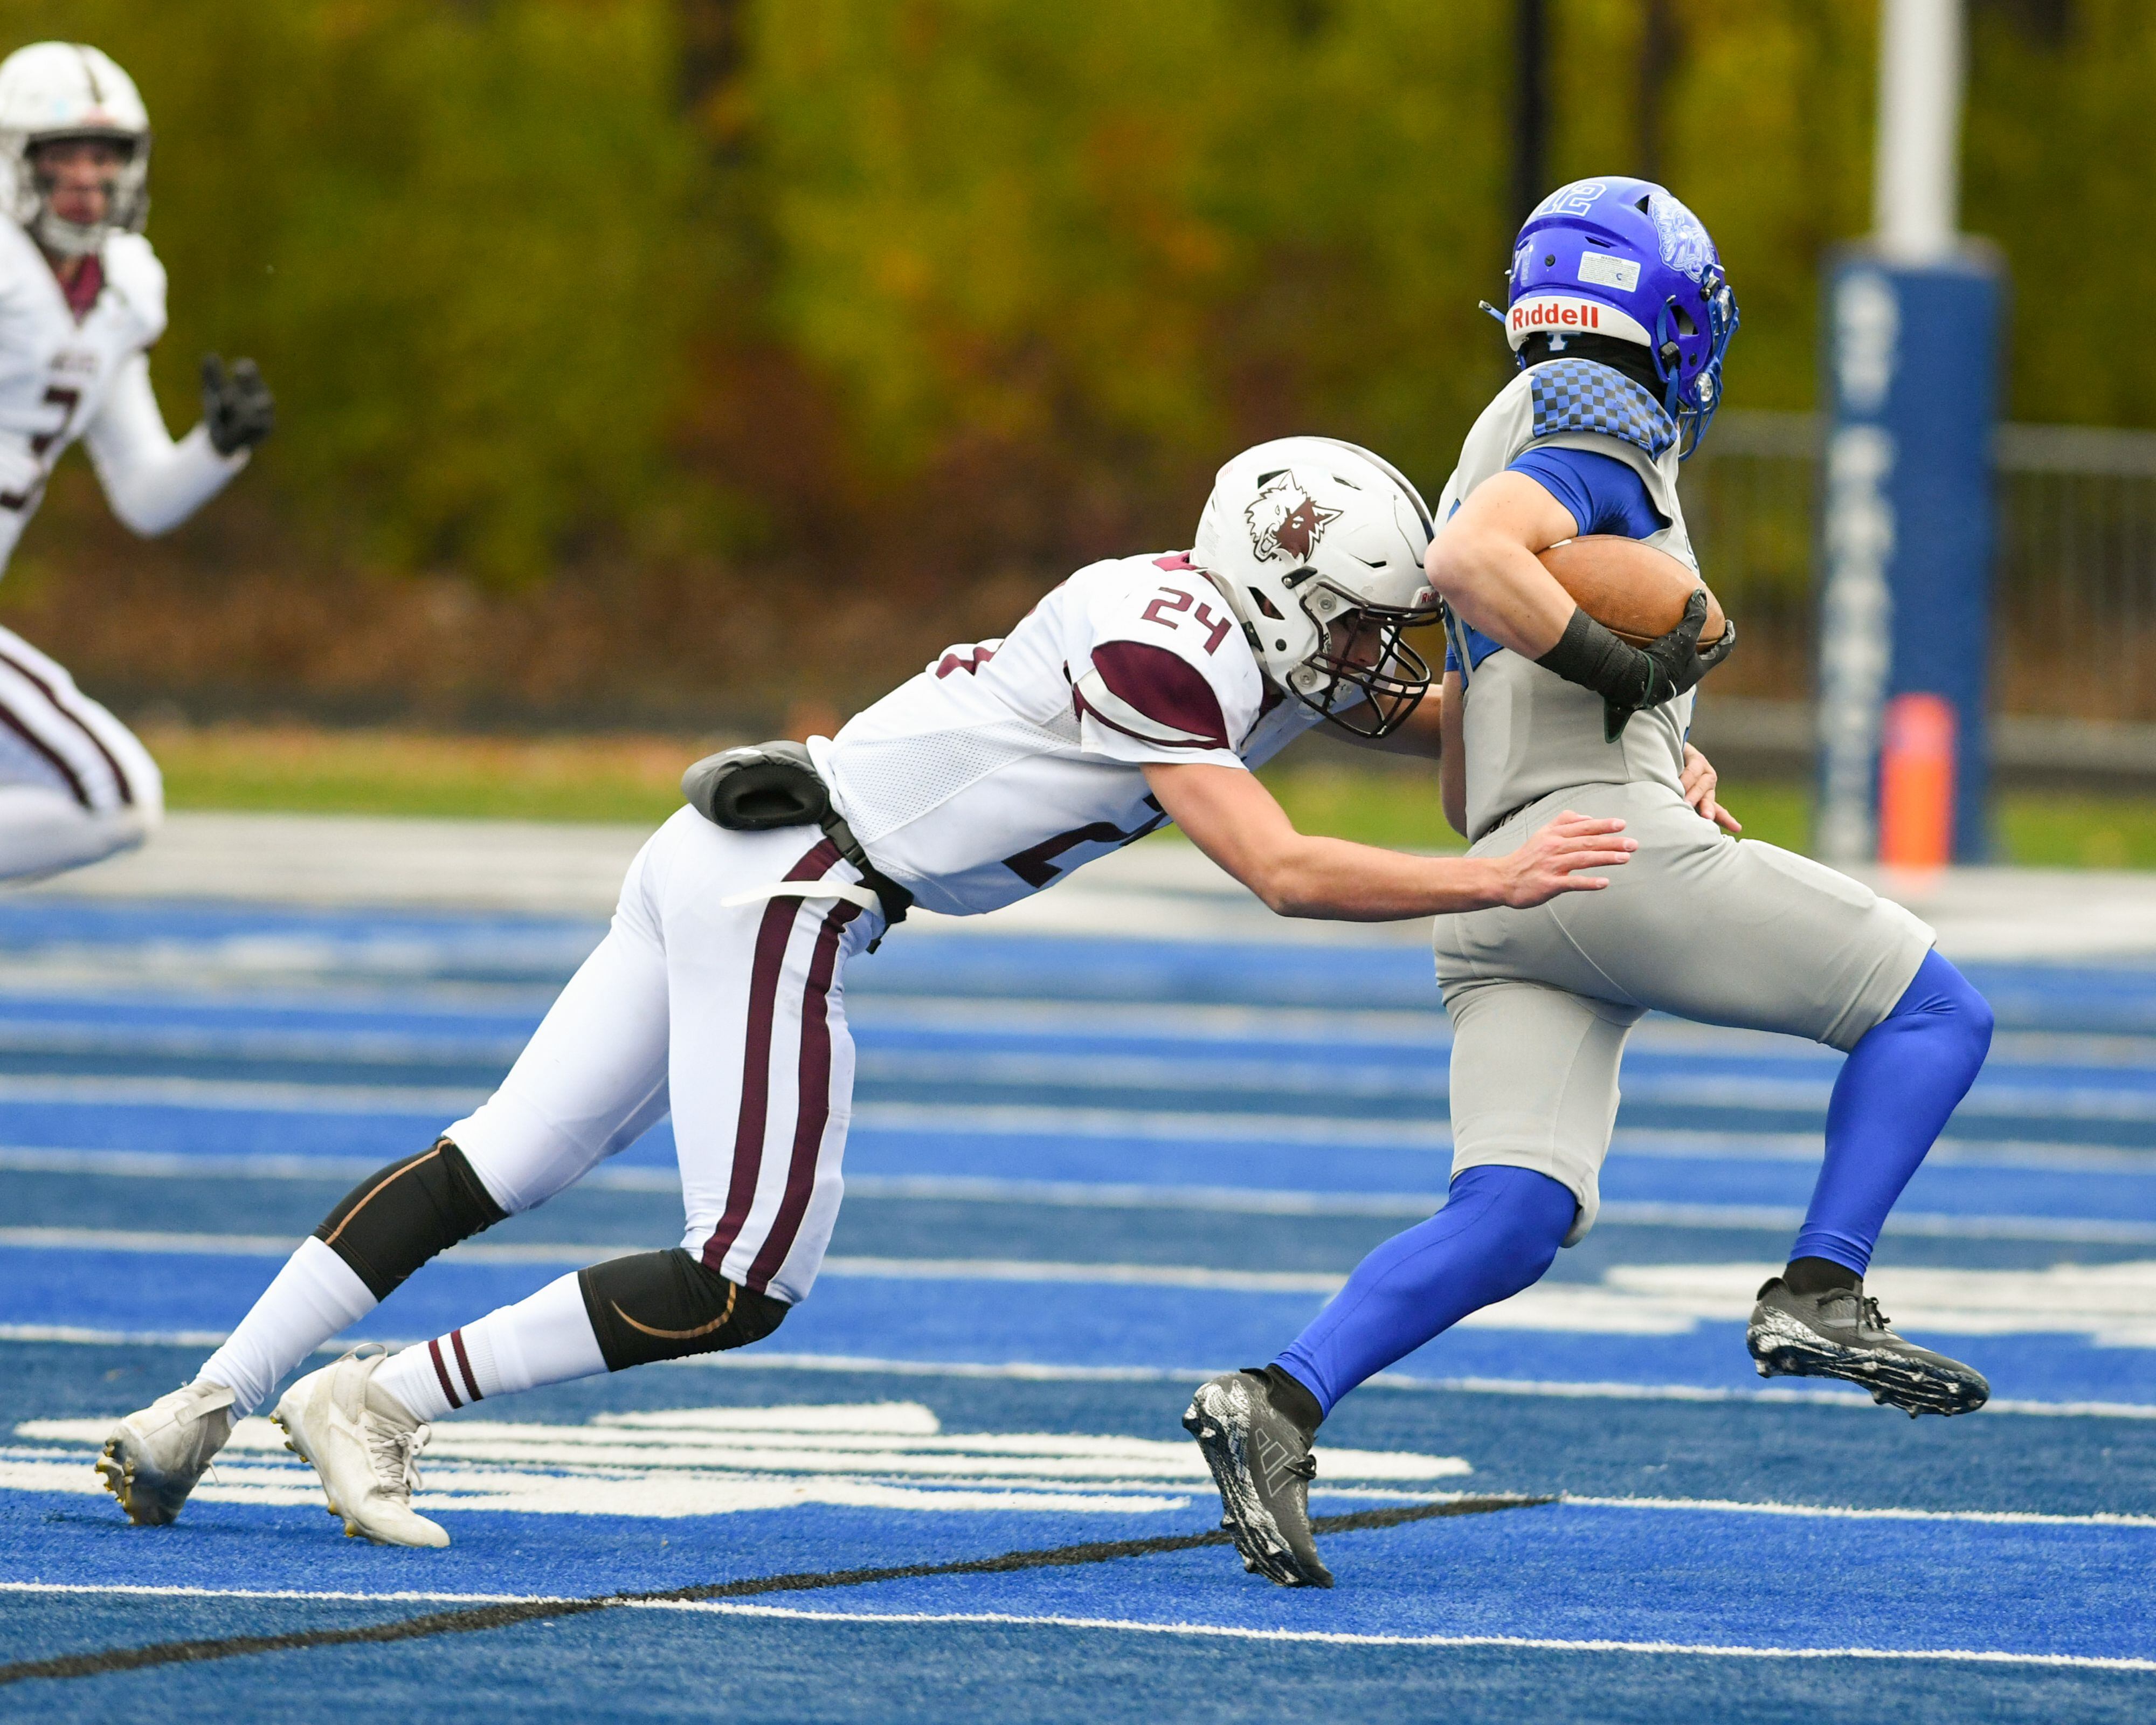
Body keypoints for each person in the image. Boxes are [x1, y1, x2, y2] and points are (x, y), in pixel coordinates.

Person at [96, 434, 1694, 1548]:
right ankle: (375, 1397)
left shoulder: (1225, 633)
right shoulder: (1174, 654)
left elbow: (1445, 715)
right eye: (1356, 623)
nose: (1377, 657)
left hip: (737, 857)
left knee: (501, 1155)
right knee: (746, 1275)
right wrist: (1492, 876)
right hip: (800, 886)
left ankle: (203, 1402)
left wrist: (1642, 745)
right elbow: (1282, 869)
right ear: (1279, 590)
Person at [1183, 177, 1994, 1591]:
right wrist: (1626, 683)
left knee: (1512, 1213)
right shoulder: (1600, 413)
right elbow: (1472, 560)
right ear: (1663, 310)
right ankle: (1823, 1290)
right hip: (1600, 858)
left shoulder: (1501, 428)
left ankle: (1279, 1399)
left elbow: (1468, 742)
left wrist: (1650, 740)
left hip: (1505, 881)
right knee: (1935, 1014)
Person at [0, 42, 273, 883]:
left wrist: (217, 451)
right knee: (108, 794)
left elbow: (145, 495)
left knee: (109, 802)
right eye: (62, 155)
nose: (87, 175)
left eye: (105, 154)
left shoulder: (121, 287)